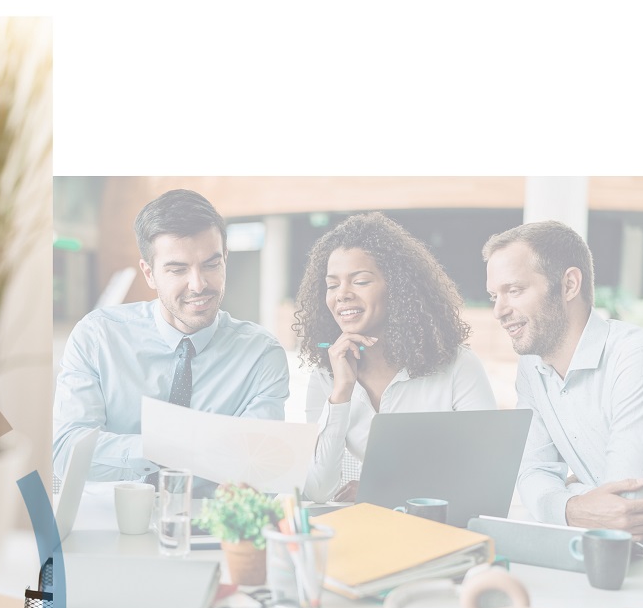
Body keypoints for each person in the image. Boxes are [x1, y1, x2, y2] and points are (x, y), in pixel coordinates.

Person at [53, 188, 289, 481]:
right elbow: (66, 453)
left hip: (212, 522)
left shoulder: (261, 356)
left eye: (211, 264)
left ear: (225, 259)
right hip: (114, 517)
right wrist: (173, 446)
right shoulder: (97, 337)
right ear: (149, 273)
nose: (198, 284)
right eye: (178, 270)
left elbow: (259, 470)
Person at [292, 212, 496, 502]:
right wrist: (342, 393)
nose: (342, 295)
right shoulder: (327, 377)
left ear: (398, 288)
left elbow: (486, 475)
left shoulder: (458, 367)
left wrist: (381, 494)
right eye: (332, 285)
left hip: (439, 531)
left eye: (360, 281)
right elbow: (317, 490)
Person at [483, 221, 643, 537]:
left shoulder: (633, 355)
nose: (499, 311)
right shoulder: (531, 367)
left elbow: (627, 507)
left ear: (569, 284)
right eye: (493, 296)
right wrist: (574, 506)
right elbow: (532, 473)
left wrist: (563, 494)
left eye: (514, 290)